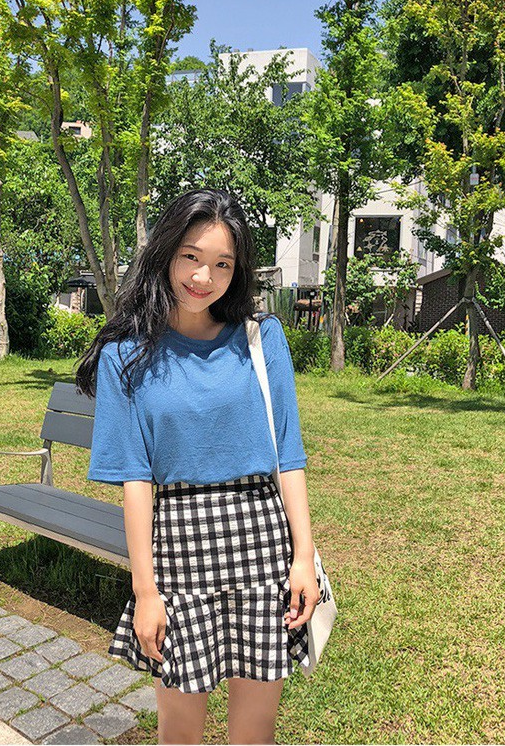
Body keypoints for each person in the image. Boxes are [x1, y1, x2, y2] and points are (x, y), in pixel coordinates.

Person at [75, 188, 319, 745]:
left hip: (262, 540)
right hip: (178, 547)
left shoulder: (262, 339)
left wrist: (303, 557)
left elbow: (289, 455)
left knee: (254, 729)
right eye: (191, 256)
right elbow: (135, 479)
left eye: (222, 264)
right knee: (180, 728)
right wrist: (145, 591)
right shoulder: (124, 355)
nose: (203, 277)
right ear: (165, 252)